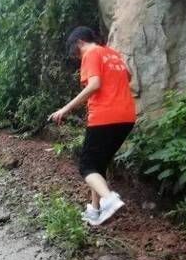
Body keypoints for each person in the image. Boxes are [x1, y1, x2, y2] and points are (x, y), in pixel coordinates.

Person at [48, 26, 136, 226]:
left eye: (76, 52)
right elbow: (128, 76)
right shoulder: (112, 54)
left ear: (79, 42)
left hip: (104, 117)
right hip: (126, 117)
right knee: (97, 166)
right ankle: (95, 211)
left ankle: (109, 199)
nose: (79, 57)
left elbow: (94, 84)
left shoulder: (91, 52)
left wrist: (65, 108)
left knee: (86, 166)